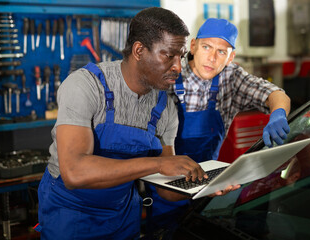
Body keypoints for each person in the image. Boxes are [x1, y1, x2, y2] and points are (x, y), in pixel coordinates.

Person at [34, 8, 235, 240]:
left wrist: (207, 188)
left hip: (123, 215)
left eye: (180, 56)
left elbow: (165, 189)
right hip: (70, 213)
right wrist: (157, 165)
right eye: (168, 55)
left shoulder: (165, 107)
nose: (178, 67)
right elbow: (74, 172)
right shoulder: (85, 86)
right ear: (139, 50)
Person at [144, 18, 291, 237]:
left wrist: (278, 112)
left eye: (222, 52)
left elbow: (275, 94)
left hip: (208, 191)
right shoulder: (169, 76)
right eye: (206, 47)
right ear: (193, 46)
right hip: (164, 192)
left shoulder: (231, 78)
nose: (212, 58)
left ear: (231, 57)